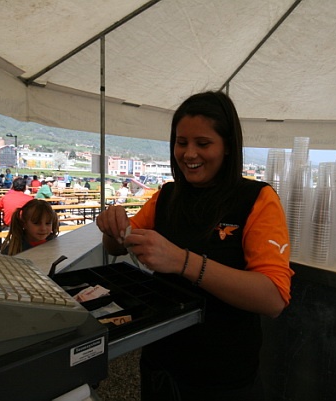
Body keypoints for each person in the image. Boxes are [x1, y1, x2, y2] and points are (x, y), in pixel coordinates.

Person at [96, 91, 293, 401]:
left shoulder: (257, 199)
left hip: (224, 379)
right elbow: (118, 245)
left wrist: (181, 261)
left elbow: (273, 298)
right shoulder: (167, 196)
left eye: (203, 143)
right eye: (181, 142)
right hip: (161, 365)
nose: (189, 154)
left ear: (228, 146)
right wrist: (113, 227)